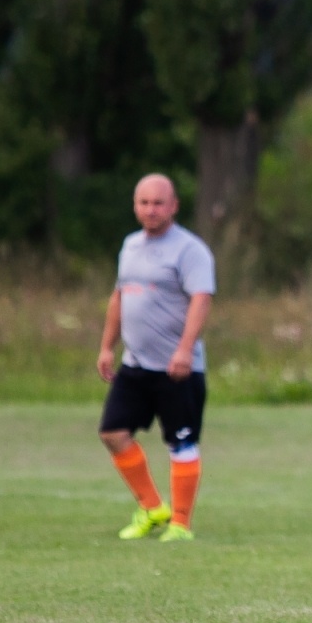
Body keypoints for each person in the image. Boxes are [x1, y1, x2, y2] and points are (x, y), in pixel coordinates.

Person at [96, 173, 214, 542]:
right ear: (135, 206)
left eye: (158, 203)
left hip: (177, 368)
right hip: (136, 365)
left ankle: (180, 524)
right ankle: (151, 506)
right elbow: (119, 297)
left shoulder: (189, 249)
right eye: (144, 203)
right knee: (113, 432)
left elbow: (201, 299)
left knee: (181, 442)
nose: (151, 209)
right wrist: (106, 346)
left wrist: (184, 349)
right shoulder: (130, 245)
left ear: (174, 206)